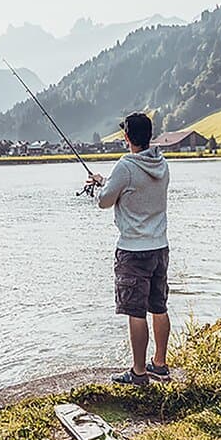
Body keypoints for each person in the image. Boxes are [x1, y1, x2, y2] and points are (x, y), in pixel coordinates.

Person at [88, 112, 171, 385]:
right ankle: (159, 364)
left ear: (126, 137)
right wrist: (107, 182)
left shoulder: (125, 166)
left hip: (134, 251)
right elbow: (134, 189)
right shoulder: (161, 163)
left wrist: (101, 187)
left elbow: (105, 201)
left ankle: (138, 373)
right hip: (159, 247)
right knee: (159, 307)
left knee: (136, 312)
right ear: (149, 135)